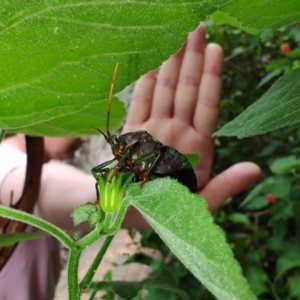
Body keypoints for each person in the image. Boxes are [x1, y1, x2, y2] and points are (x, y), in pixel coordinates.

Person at [0, 24, 261, 299]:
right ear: (46, 118)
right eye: (74, 124)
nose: (85, 139)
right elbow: (41, 188)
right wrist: (104, 198)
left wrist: (130, 201)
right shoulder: (8, 165)